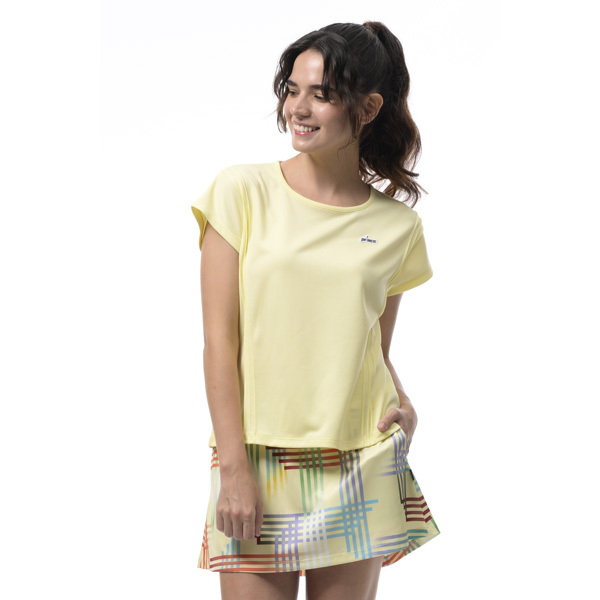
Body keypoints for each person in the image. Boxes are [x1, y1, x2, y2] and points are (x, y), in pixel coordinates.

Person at [191, 21, 440, 600]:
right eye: (292, 90)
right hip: (257, 459)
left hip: (359, 461)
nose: (297, 109)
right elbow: (219, 344)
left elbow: (372, 349)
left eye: (321, 95)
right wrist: (233, 467)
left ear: (368, 107)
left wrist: (405, 406)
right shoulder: (241, 192)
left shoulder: (396, 226)